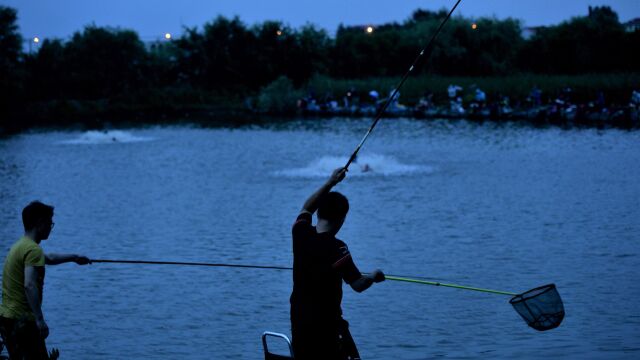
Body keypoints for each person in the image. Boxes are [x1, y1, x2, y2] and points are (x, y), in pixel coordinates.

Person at [290, 168, 385, 360]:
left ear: (319, 213)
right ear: (342, 219)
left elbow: (306, 208)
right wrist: (374, 276)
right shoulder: (338, 248)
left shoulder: (300, 233)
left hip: (299, 324)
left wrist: (331, 182)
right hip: (327, 328)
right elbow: (358, 284)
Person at [0, 201, 91, 359]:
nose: (51, 227)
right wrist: (40, 319)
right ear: (40, 223)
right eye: (50, 223)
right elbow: (29, 285)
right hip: (23, 321)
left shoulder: (20, 246)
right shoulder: (33, 250)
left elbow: (48, 258)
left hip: (7, 318)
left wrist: (74, 258)